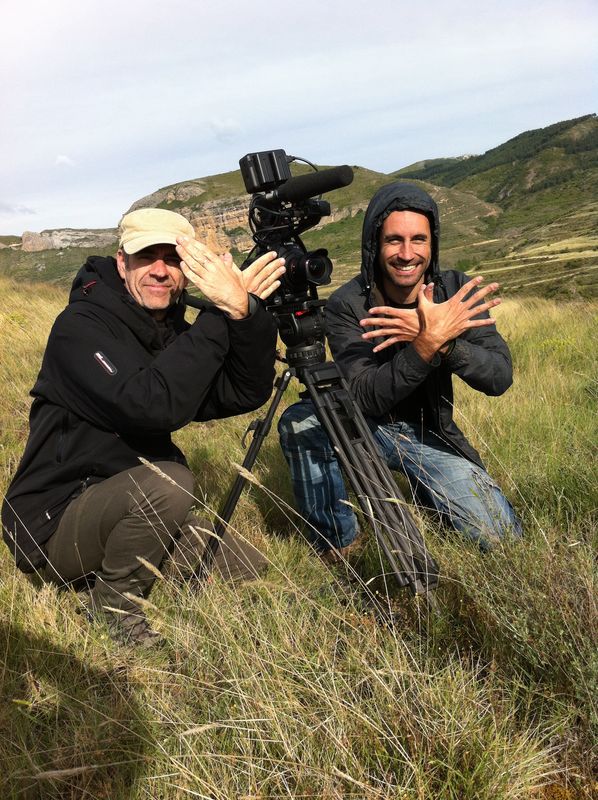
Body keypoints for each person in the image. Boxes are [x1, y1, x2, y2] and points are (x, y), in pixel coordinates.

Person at [2, 208, 285, 646]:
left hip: (126, 508)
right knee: (172, 484)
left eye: (172, 259)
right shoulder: (79, 328)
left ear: (188, 270)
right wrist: (218, 314)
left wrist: (246, 316)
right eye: (145, 256)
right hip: (51, 524)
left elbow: (241, 392)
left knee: (245, 567)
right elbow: (149, 406)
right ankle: (112, 609)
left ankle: (119, 561)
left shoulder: (166, 331)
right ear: (121, 262)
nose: (159, 270)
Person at [278, 182, 522, 562]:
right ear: (376, 243)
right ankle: (338, 545)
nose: (407, 254)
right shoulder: (349, 304)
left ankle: (429, 495)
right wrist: (424, 346)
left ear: (432, 243)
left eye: (418, 240)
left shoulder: (453, 291)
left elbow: (499, 378)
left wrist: (445, 343)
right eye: (394, 240)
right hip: (366, 424)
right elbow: (363, 396)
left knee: (501, 537)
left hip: (431, 434)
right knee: (301, 421)